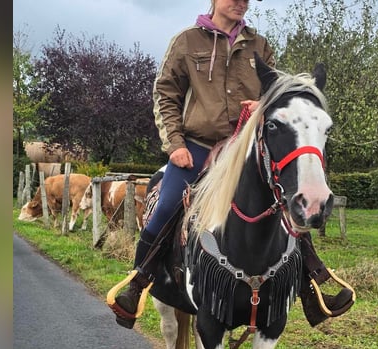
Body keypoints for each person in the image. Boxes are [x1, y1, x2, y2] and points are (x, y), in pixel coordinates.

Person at [109, 0, 353, 329]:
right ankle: (139, 283)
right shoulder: (186, 42)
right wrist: (175, 145)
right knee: (166, 205)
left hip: (244, 150)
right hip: (196, 148)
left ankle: (312, 284)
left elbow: (276, 96)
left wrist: (263, 105)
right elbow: (165, 94)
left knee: (285, 200)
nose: (241, 2)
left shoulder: (260, 46)